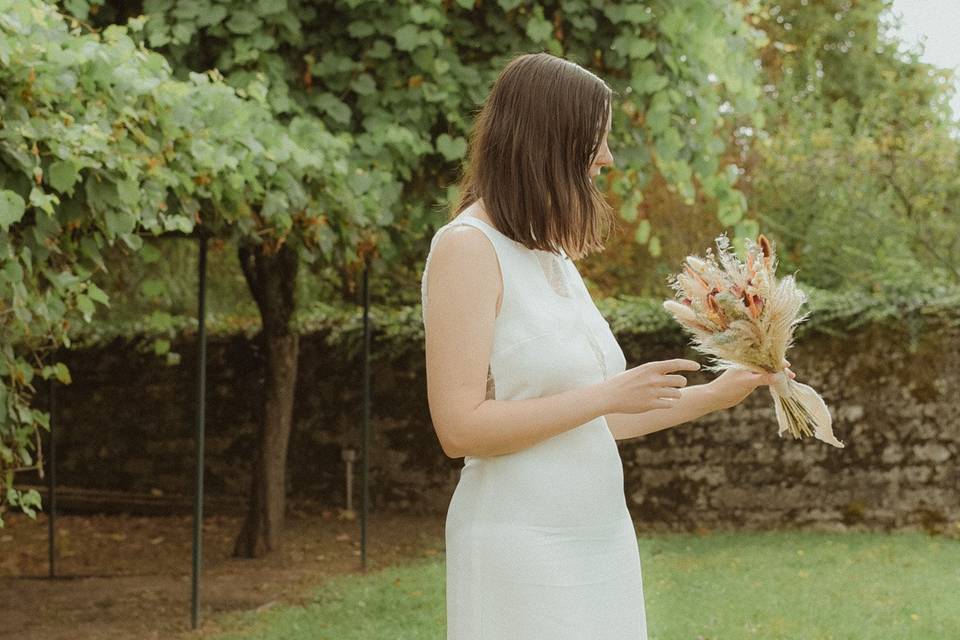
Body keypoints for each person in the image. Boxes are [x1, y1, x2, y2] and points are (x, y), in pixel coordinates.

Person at [420, 52, 795, 640]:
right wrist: (604, 396)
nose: (607, 159)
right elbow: (459, 428)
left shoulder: (552, 254)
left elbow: (598, 422)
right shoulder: (466, 248)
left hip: (598, 536)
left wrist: (717, 395)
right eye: (596, 141)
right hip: (520, 543)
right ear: (549, 140)